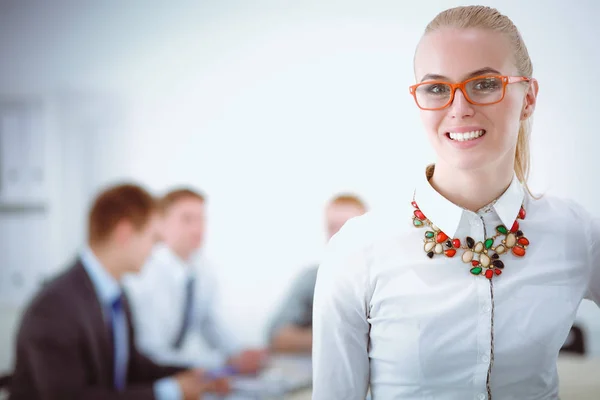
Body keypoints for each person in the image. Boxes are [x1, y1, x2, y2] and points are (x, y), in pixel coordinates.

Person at [311, 5, 600, 400]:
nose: (459, 108)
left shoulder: (577, 233)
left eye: (483, 83)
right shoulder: (356, 251)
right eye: (436, 88)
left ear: (528, 97)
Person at [9, 183, 228, 400]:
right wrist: (170, 391)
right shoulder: (55, 307)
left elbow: (131, 367)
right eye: (153, 239)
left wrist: (191, 375)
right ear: (124, 234)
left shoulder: (115, 295)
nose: (156, 250)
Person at [124, 188, 266, 385]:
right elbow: (153, 354)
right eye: (187, 219)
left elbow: (211, 323)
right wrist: (223, 362)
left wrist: (240, 352)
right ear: (162, 225)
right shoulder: (144, 274)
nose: (197, 229)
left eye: (201, 219)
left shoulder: (202, 268)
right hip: (147, 380)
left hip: (180, 375)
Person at [266, 193, 367, 354]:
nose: (339, 236)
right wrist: (344, 335)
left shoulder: (386, 280)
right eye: (333, 227)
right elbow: (277, 336)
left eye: (348, 227)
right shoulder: (312, 278)